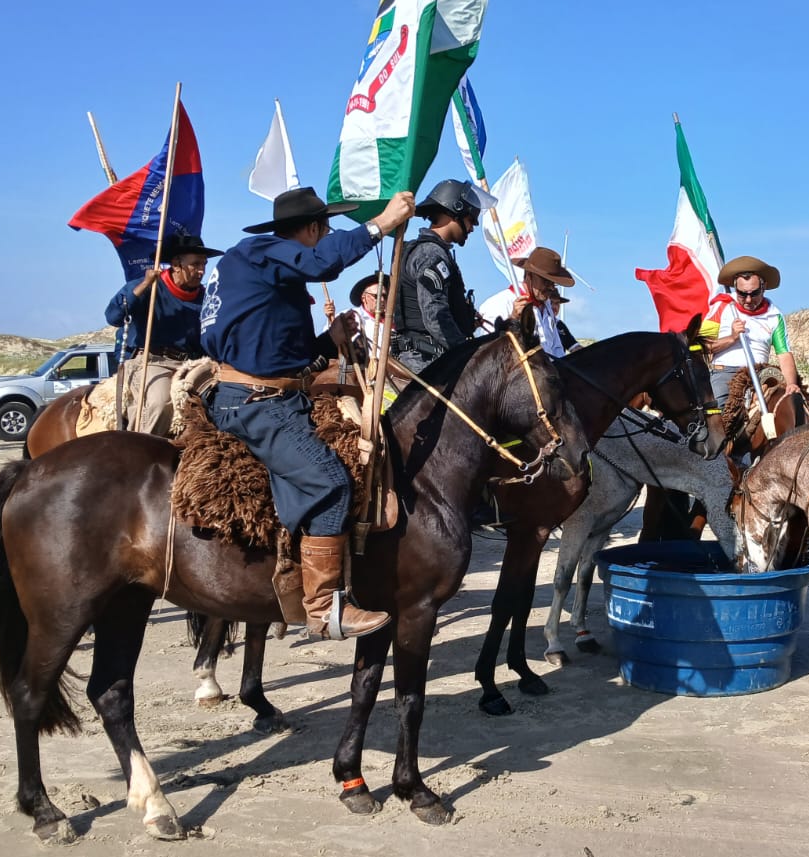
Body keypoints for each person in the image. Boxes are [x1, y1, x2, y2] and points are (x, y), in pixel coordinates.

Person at [199, 185, 415, 640]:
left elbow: (281, 357)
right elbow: (323, 261)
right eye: (327, 229)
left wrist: (330, 338)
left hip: (272, 391)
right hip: (257, 403)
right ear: (314, 228)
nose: (328, 236)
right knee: (331, 481)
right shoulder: (260, 252)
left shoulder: (258, 268)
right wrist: (381, 225)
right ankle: (323, 608)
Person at [104, 234, 222, 434]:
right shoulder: (146, 287)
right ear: (176, 264)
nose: (202, 271)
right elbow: (113, 316)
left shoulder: (206, 297)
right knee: (159, 404)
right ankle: (141, 454)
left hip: (192, 364)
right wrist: (144, 286)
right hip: (151, 362)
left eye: (204, 264)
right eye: (195, 265)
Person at [394, 178, 486, 372]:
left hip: (427, 358)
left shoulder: (434, 252)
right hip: (426, 363)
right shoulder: (431, 254)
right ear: (454, 212)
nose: (473, 227)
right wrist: (465, 352)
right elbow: (434, 313)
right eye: (471, 219)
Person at [703, 256, 802, 406]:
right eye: (742, 294)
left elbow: (784, 353)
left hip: (761, 373)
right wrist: (731, 338)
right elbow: (701, 346)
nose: (748, 300)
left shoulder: (774, 315)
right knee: (715, 414)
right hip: (725, 374)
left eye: (754, 293)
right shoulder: (721, 306)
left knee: (798, 407)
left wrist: (791, 384)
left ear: (764, 287)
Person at [479, 246, 580, 358]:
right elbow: (490, 357)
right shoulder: (498, 305)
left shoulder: (547, 306)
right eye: (546, 281)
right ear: (529, 275)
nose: (551, 287)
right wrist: (512, 320)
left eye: (554, 283)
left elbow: (556, 349)